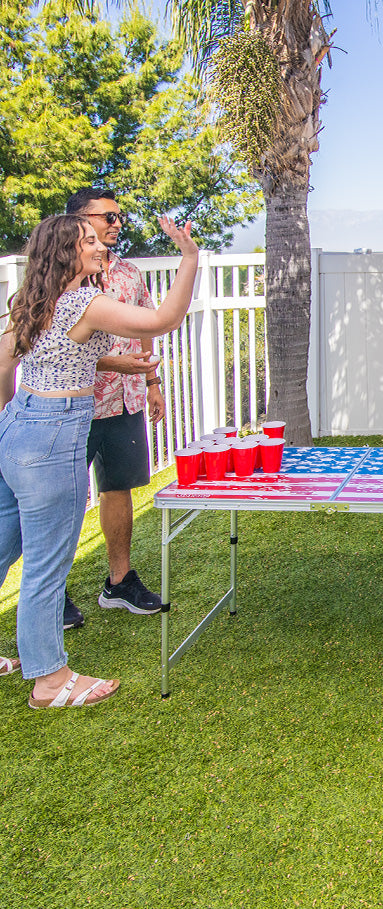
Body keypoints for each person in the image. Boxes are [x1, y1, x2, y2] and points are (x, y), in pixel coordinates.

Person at [0, 213, 198, 708]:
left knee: (3, 549)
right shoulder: (85, 301)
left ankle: (43, 669)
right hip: (54, 436)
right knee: (47, 564)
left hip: (18, 426)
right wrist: (189, 257)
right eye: (88, 241)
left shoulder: (35, 301)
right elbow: (163, 321)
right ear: (67, 251)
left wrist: (12, 416)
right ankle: (49, 680)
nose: (98, 247)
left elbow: (17, 360)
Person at [63, 187, 164, 629]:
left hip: (125, 400)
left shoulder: (128, 272)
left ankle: (119, 582)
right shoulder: (61, 275)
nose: (117, 223)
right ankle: (53, 592)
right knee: (63, 500)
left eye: (119, 216)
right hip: (73, 403)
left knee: (118, 489)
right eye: (108, 216)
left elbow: (148, 322)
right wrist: (113, 363)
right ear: (80, 221)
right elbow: (56, 344)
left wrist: (151, 380)